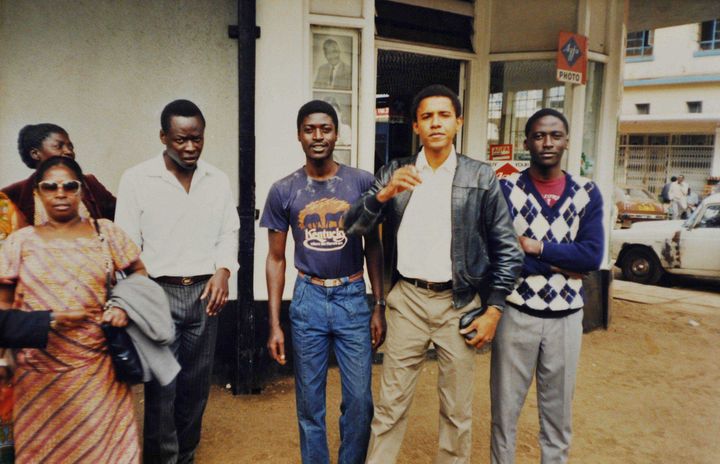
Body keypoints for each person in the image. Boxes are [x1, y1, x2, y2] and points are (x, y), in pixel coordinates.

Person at [344, 84, 523, 463]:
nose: (435, 123)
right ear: (415, 126)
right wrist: (382, 195)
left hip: (458, 306)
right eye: (427, 116)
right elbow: (352, 227)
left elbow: (508, 250)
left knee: (457, 413)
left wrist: (493, 310)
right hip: (407, 300)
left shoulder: (480, 176)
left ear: (458, 122)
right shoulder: (396, 172)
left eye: (444, 115)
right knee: (390, 407)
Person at [115, 99, 239, 464]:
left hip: (205, 295)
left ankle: (185, 456)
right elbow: (126, 246)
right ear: (163, 137)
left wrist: (223, 271)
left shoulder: (216, 180)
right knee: (161, 390)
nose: (189, 148)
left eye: (196, 139)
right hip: (157, 294)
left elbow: (228, 234)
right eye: (181, 139)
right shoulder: (137, 179)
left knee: (196, 389)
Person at [261, 100, 384, 464]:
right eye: (310, 129)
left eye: (325, 129)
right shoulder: (284, 190)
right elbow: (275, 258)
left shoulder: (361, 182)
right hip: (308, 298)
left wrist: (378, 304)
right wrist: (274, 324)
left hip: (351, 297)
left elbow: (374, 246)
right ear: (299, 135)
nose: (318, 136)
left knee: (360, 401)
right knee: (310, 403)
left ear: (336, 134)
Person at [0, 156, 144, 463]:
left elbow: (139, 275)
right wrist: (5, 355)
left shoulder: (106, 233)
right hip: (38, 376)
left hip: (98, 371)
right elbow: (4, 304)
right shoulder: (19, 243)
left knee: (107, 452)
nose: (61, 193)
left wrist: (123, 306)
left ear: (81, 191)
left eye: (69, 186)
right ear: (38, 194)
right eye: (50, 187)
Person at [492, 108, 604, 464]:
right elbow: (500, 254)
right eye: (539, 136)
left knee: (557, 418)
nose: (547, 143)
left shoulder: (587, 192)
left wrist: (536, 247)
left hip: (566, 320)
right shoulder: (507, 189)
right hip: (515, 315)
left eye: (555, 135)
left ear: (567, 142)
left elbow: (591, 256)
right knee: (504, 414)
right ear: (527, 142)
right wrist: (562, 263)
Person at [2, 123, 116, 226]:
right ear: (35, 154)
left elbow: (122, 216)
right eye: (59, 146)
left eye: (70, 147)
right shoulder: (12, 195)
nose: (68, 151)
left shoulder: (89, 183)